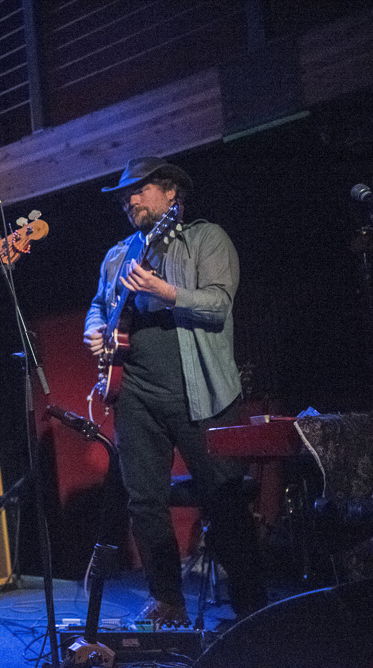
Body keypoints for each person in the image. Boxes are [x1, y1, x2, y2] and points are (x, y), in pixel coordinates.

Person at [83, 156, 266, 625]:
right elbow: (98, 307)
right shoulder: (118, 254)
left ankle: (253, 608)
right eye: (126, 194)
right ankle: (167, 600)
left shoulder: (207, 238)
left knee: (222, 498)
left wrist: (165, 291)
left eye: (140, 189)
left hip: (199, 389)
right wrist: (96, 329)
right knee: (143, 499)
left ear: (170, 195)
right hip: (136, 392)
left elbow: (219, 305)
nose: (130, 199)